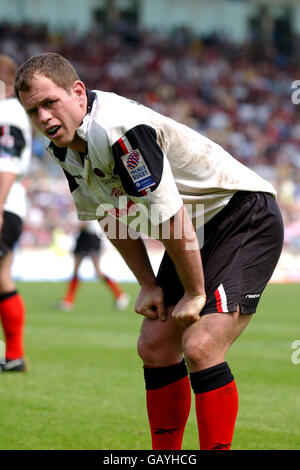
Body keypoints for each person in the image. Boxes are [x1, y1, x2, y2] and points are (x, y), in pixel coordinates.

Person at [15, 52, 283, 450]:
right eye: (33, 111)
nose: (44, 119)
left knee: (202, 345)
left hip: (242, 214)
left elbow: (172, 219)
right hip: (197, 228)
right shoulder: (63, 147)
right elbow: (109, 213)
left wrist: (194, 293)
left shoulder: (121, 129)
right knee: (155, 346)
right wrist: (146, 284)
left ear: (76, 92)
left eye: (49, 103)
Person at [0, 54, 32, 372]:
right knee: (2, 277)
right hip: (11, 203)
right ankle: (14, 355)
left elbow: (7, 160)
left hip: (4, 203)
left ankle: (14, 354)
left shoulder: (7, 111)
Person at [60, 220, 130, 311]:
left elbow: (87, 221)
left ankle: (119, 294)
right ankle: (68, 300)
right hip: (85, 237)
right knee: (79, 271)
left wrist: (73, 229)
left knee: (95, 271)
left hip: (91, 237)